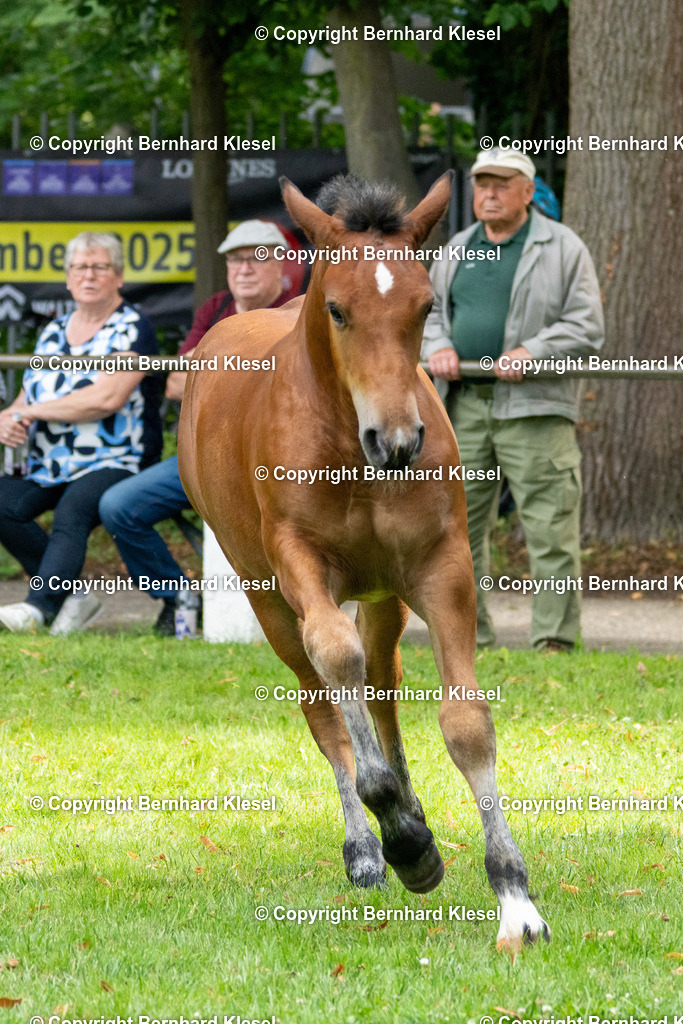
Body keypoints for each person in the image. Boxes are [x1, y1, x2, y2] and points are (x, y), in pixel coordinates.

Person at [422, 148, 604, 652]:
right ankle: (470, 639)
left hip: (535, 408)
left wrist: (533, 349)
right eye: (483, 183)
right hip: (465, 406)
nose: (490, 193)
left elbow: (588, 325)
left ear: (528, 191)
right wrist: (436, 344)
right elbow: (427, 313)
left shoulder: (562, 248)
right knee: (457, 530)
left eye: (503, 184)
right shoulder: (457, 248)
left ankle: (554, 640)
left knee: (550, 528)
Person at [99, 219, 294, 636]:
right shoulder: (216, 309)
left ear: (281, 263)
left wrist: (214, 374)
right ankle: (179, 596)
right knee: (119, 506)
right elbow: (174, 384)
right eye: (235, 260)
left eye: (255, 258)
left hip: (288, 462)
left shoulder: (302, 310)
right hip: (209, 458)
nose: (243, 268)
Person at [0, 232, 162, 634]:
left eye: (99, 267)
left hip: (119, 459)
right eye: (79, 267)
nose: (88, 275)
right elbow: (28, 394)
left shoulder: (133, 327)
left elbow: (107, 397)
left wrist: (33, 411)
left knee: (74, 507)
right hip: (52, 463)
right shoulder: (53, 331)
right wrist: (12, 417)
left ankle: (38, 608)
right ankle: (72, 596)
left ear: (119, 276)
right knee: (3, 502)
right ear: (69, 278)